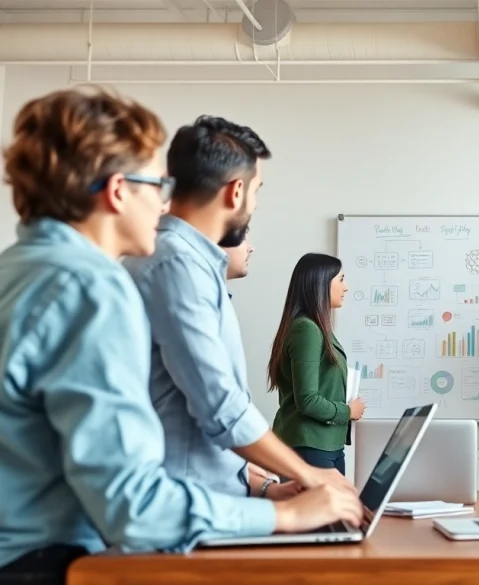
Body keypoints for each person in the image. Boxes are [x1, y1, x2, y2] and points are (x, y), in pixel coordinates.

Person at [0, 88, 361, 585]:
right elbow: (133, 505)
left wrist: (259, 491)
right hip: (47, 563)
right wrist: (285, 516)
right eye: (159, 184)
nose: (167, 202)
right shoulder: (89, 288)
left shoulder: (19, 269)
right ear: (119, 190)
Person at [122, 115, 353, 498]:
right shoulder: (176, 266)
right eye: (257, 191)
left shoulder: (188, 265)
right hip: (189, 506)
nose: (255, 205)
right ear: (236, 191)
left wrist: (264, 489)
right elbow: (221, 407)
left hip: (211, 494)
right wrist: (314, 476)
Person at [268, 253, 367, 476]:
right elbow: (308, 400)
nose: (346, 287)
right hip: (310, 446)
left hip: (325, 445)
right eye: (341, 279)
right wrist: (348, 411)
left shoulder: (315, 328)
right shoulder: (307, 330)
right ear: (321, 284)